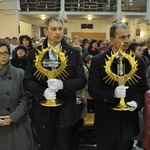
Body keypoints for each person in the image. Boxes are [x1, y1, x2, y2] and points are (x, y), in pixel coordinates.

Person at [23, 16, 86, 150]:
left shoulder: (73, 53)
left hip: (66, 109)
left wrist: (63, 85)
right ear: (45, 32)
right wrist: (42, 92)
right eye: (53, 29)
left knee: (65, 146)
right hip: (42, 109)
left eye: (60, 29)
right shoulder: (34, 53)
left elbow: (81, 80)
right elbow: (27, 81)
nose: (58, 32)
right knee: (46, 146)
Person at [88, 23, 149, 150]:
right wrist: (113, 94)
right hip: (106, 120)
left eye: (128, 36)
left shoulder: (138, 62)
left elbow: (143, 87)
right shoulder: (99, 60)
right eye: (122, 37)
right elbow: (93, 89)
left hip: (128, 121)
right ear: (111, 39)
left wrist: (136, 103)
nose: (127, 41)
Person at [0, 41, 34, 150]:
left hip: (17, 125)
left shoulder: (20, 73)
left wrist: (13, 117)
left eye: (5, 53)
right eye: (0, 53)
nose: (3, 56)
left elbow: (26, 99)